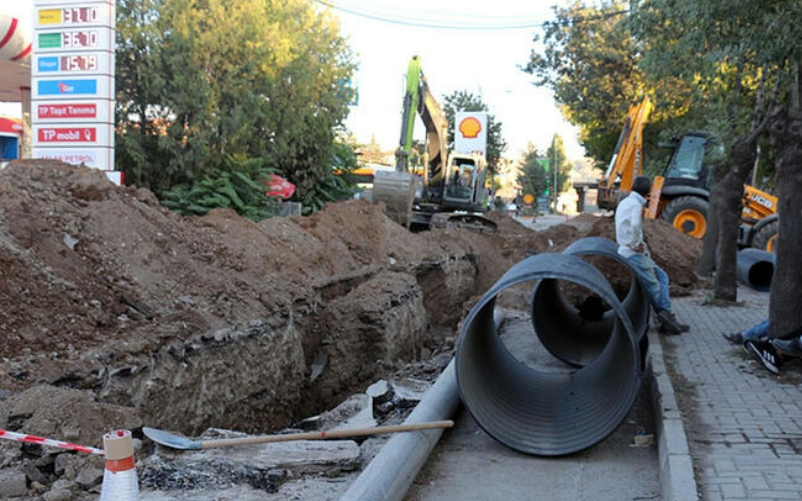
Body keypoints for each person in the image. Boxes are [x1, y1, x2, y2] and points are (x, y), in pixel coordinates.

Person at [615, 176, 689, 335]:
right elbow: (635, 225)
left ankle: (667, 317)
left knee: (661, 277)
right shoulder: (635, 205)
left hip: (624, 250)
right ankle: (667, 319)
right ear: (648, 192)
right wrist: (636, 243)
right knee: (655, 286)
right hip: (633, 253)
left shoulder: (624, 202)